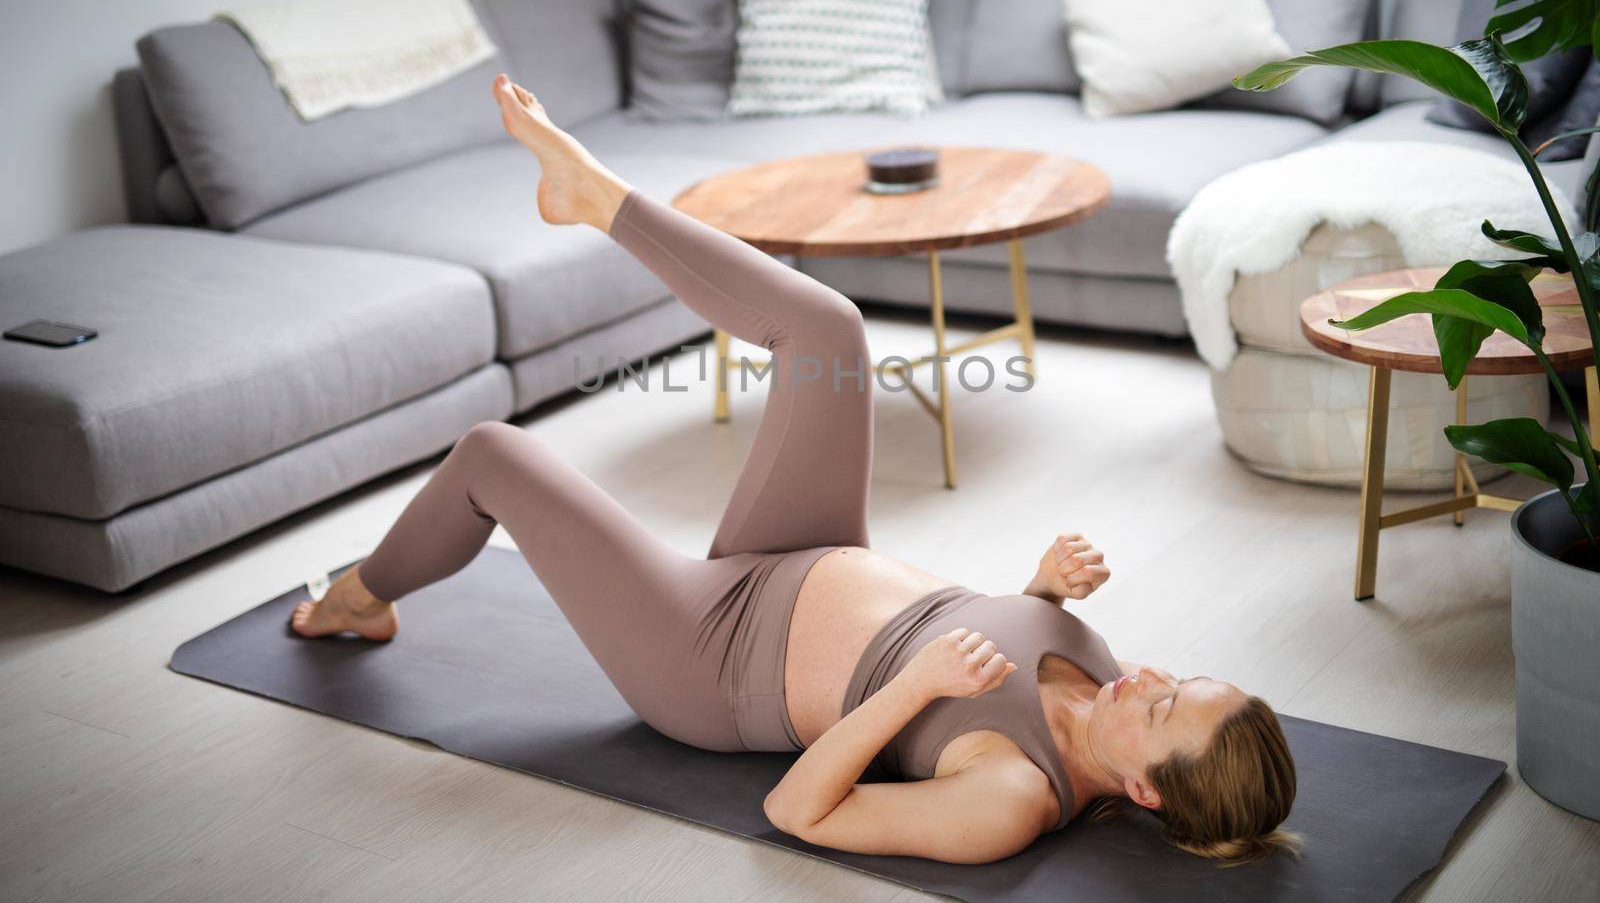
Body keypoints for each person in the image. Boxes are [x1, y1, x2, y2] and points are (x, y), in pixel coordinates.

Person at [290, 73, 1299, 866]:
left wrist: (917, 687)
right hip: (805, 549)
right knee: (831, 329)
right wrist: (1038, 588)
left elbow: (797, 809)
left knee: (493, 455)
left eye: (1165, 707)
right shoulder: (1106, 676)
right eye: (1184, 678)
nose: (1153, 677)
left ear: (1145, 790)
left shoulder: (1011, 799)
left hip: (712, 658)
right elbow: (983, 656)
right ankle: (594, 196)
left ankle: (355, 600)